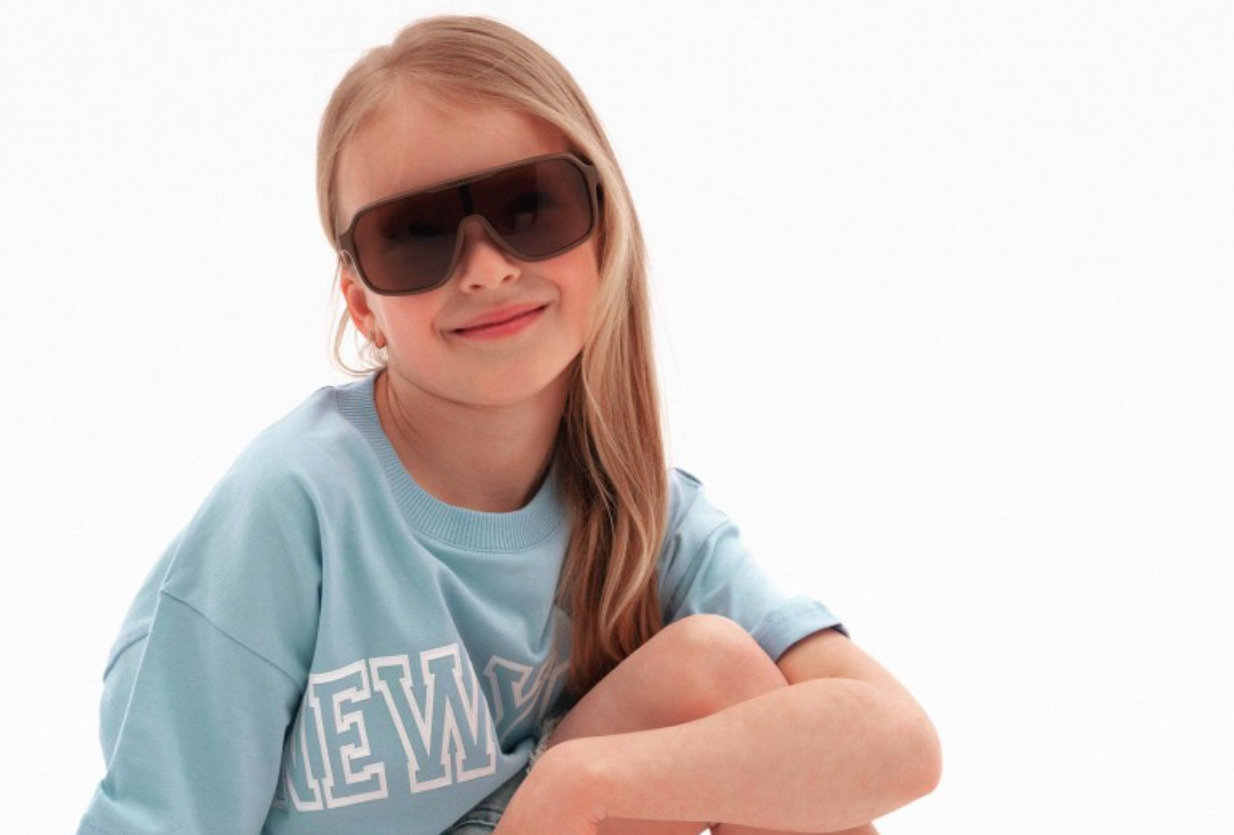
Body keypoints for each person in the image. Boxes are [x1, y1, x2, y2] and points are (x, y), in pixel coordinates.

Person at [75, 15, 940, 835]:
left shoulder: (641, 510)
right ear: (362, 304)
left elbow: (900, 739)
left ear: (603, 233)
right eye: (415, 234)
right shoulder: (292, 507)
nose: (486, 269)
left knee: (710, 672)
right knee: (709, 674)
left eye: (531, 207)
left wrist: (583, 781)